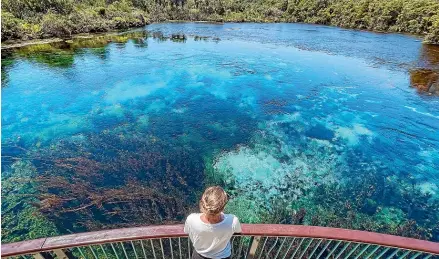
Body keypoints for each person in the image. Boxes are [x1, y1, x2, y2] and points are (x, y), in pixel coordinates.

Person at [184, 186, 242, 259]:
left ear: (202, 203)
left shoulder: (191, 219)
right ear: (223, 207)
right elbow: (238, 231)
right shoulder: (233, 220)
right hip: (223, 256)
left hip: (199, 256)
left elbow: (186, 231)